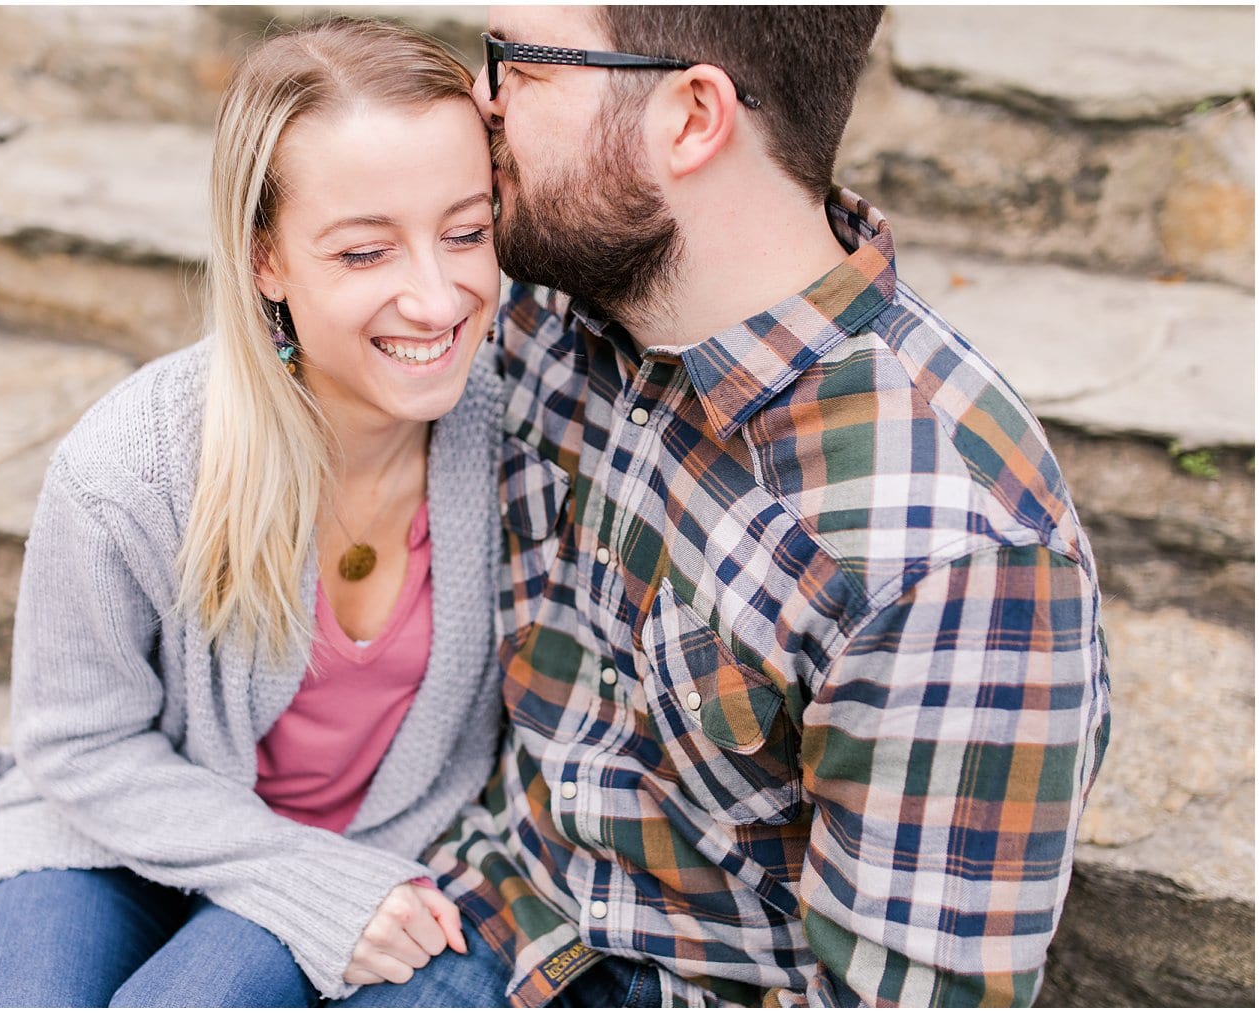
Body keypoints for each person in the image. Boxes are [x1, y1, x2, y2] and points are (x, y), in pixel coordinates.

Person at [422, 6, 1113, 1007]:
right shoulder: (553, 287)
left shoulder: (951, 554)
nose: (480, 100)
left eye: (519, 66)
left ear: (691, 118)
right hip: (475, 889)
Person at [0, 17, 511, 1007]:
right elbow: (77, 743)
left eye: (466, 232)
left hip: (378, 851)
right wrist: (293, 870)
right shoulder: (131, 465)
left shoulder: (526, 430)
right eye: (366, 252)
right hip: (110, 831)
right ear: (265, 262)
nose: (435, 296)